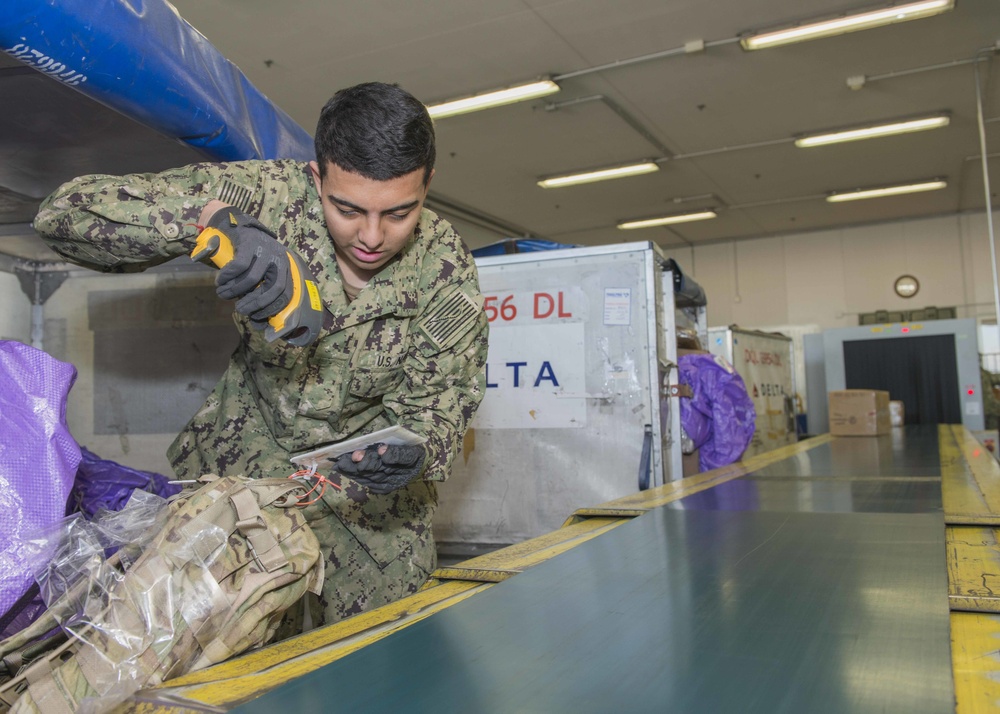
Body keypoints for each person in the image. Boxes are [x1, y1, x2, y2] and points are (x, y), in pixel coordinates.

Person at [33, 82, 489, 629]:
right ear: (317, 176)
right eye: (347, 209)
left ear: (427, 185)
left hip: (371, 511)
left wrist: (419, 447)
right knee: (216, 659)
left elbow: (443, 396)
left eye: (399, 213)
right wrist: (208, 223)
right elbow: (62, 215)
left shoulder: (445, 264)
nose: (372, 235)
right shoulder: (268, 198)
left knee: (388, 652)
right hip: (245, 474)